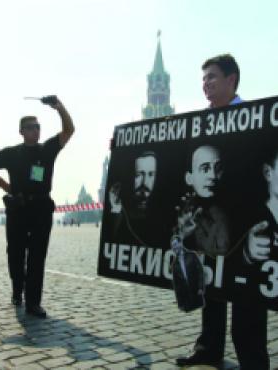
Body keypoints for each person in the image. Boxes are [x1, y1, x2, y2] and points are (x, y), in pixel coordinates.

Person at [176, 54, 269, 369]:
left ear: (232, 80)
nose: (206, 84)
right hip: (209, 224)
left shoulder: (257, 119)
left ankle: (253, 361)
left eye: (212, 77)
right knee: (211, 290)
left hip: (246, 225)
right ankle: (208, 348)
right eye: (203, 79)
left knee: (247, 300)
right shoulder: (198, 123)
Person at [0, 96, 74, 318]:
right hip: (18, 209)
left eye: (38, 127)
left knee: (37, 257)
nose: (35, 131)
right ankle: (17, 289)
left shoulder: (47, 150)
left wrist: (59, 107)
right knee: (15, 254)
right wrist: (7, 187)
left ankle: (33, 303)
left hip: (41, 207)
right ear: (21, 131)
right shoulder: (11, 153)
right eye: (30, 128)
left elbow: (69, 130)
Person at [108, 151, 157, 244]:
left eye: (151, 174)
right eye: (138, 175)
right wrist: (116, 209)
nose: (145, 182)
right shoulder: (121, 212)